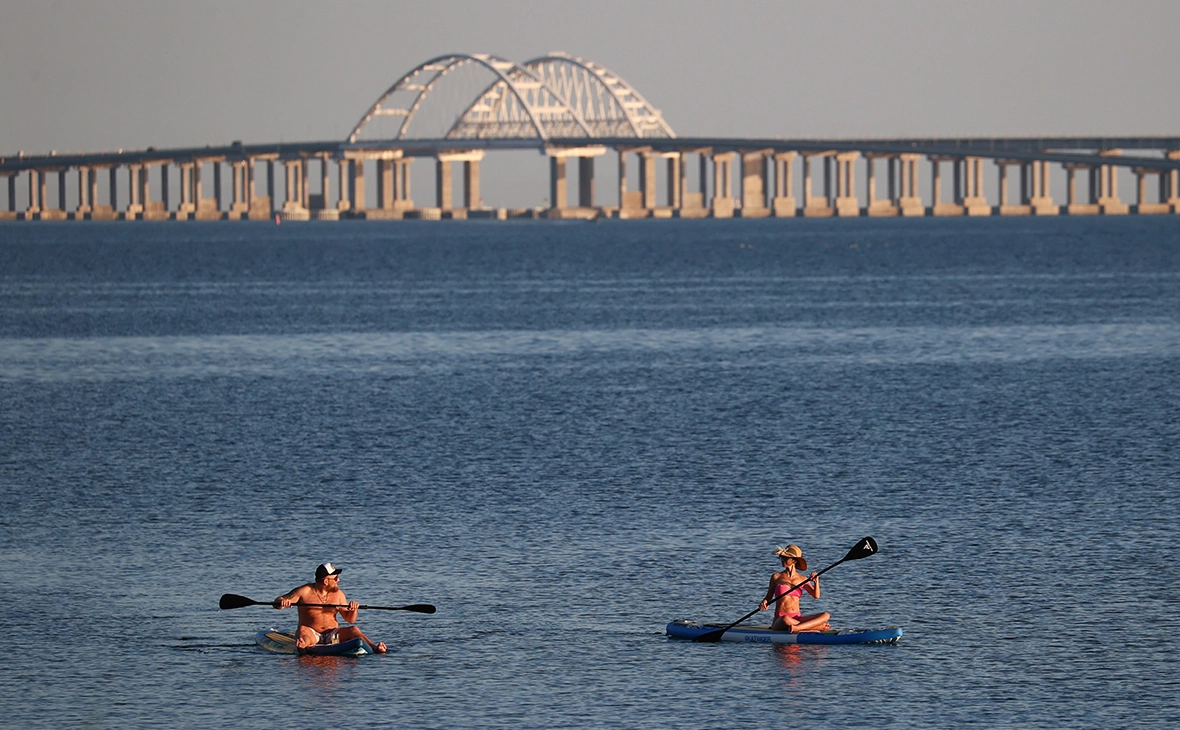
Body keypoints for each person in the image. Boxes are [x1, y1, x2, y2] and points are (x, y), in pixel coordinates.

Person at [274, 562, 387, 654]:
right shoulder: (305, 591)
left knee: (354, 629)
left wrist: (353, 610)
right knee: (303, 630)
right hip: (312, 635)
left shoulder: (338, 594)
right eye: (336, 578)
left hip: (333, 636)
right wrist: (282, 602)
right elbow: (278, 601)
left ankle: (374, 648)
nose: (338, 580)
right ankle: (303, 646)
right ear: (326, 581)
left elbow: (350, 619)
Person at [758, 544, 831, 632]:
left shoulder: (802, 579)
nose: (782, 560)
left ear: (794, 561)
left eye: (786, 558)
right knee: (785, 619)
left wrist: (816, 582)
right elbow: (768, 597)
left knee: (826, 615)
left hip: (797, 618)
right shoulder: (776, 577)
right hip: (780, 619)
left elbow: (816, 596)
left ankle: (797, 627)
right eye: (781, 557)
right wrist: (764, 602)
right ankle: (816, 627)